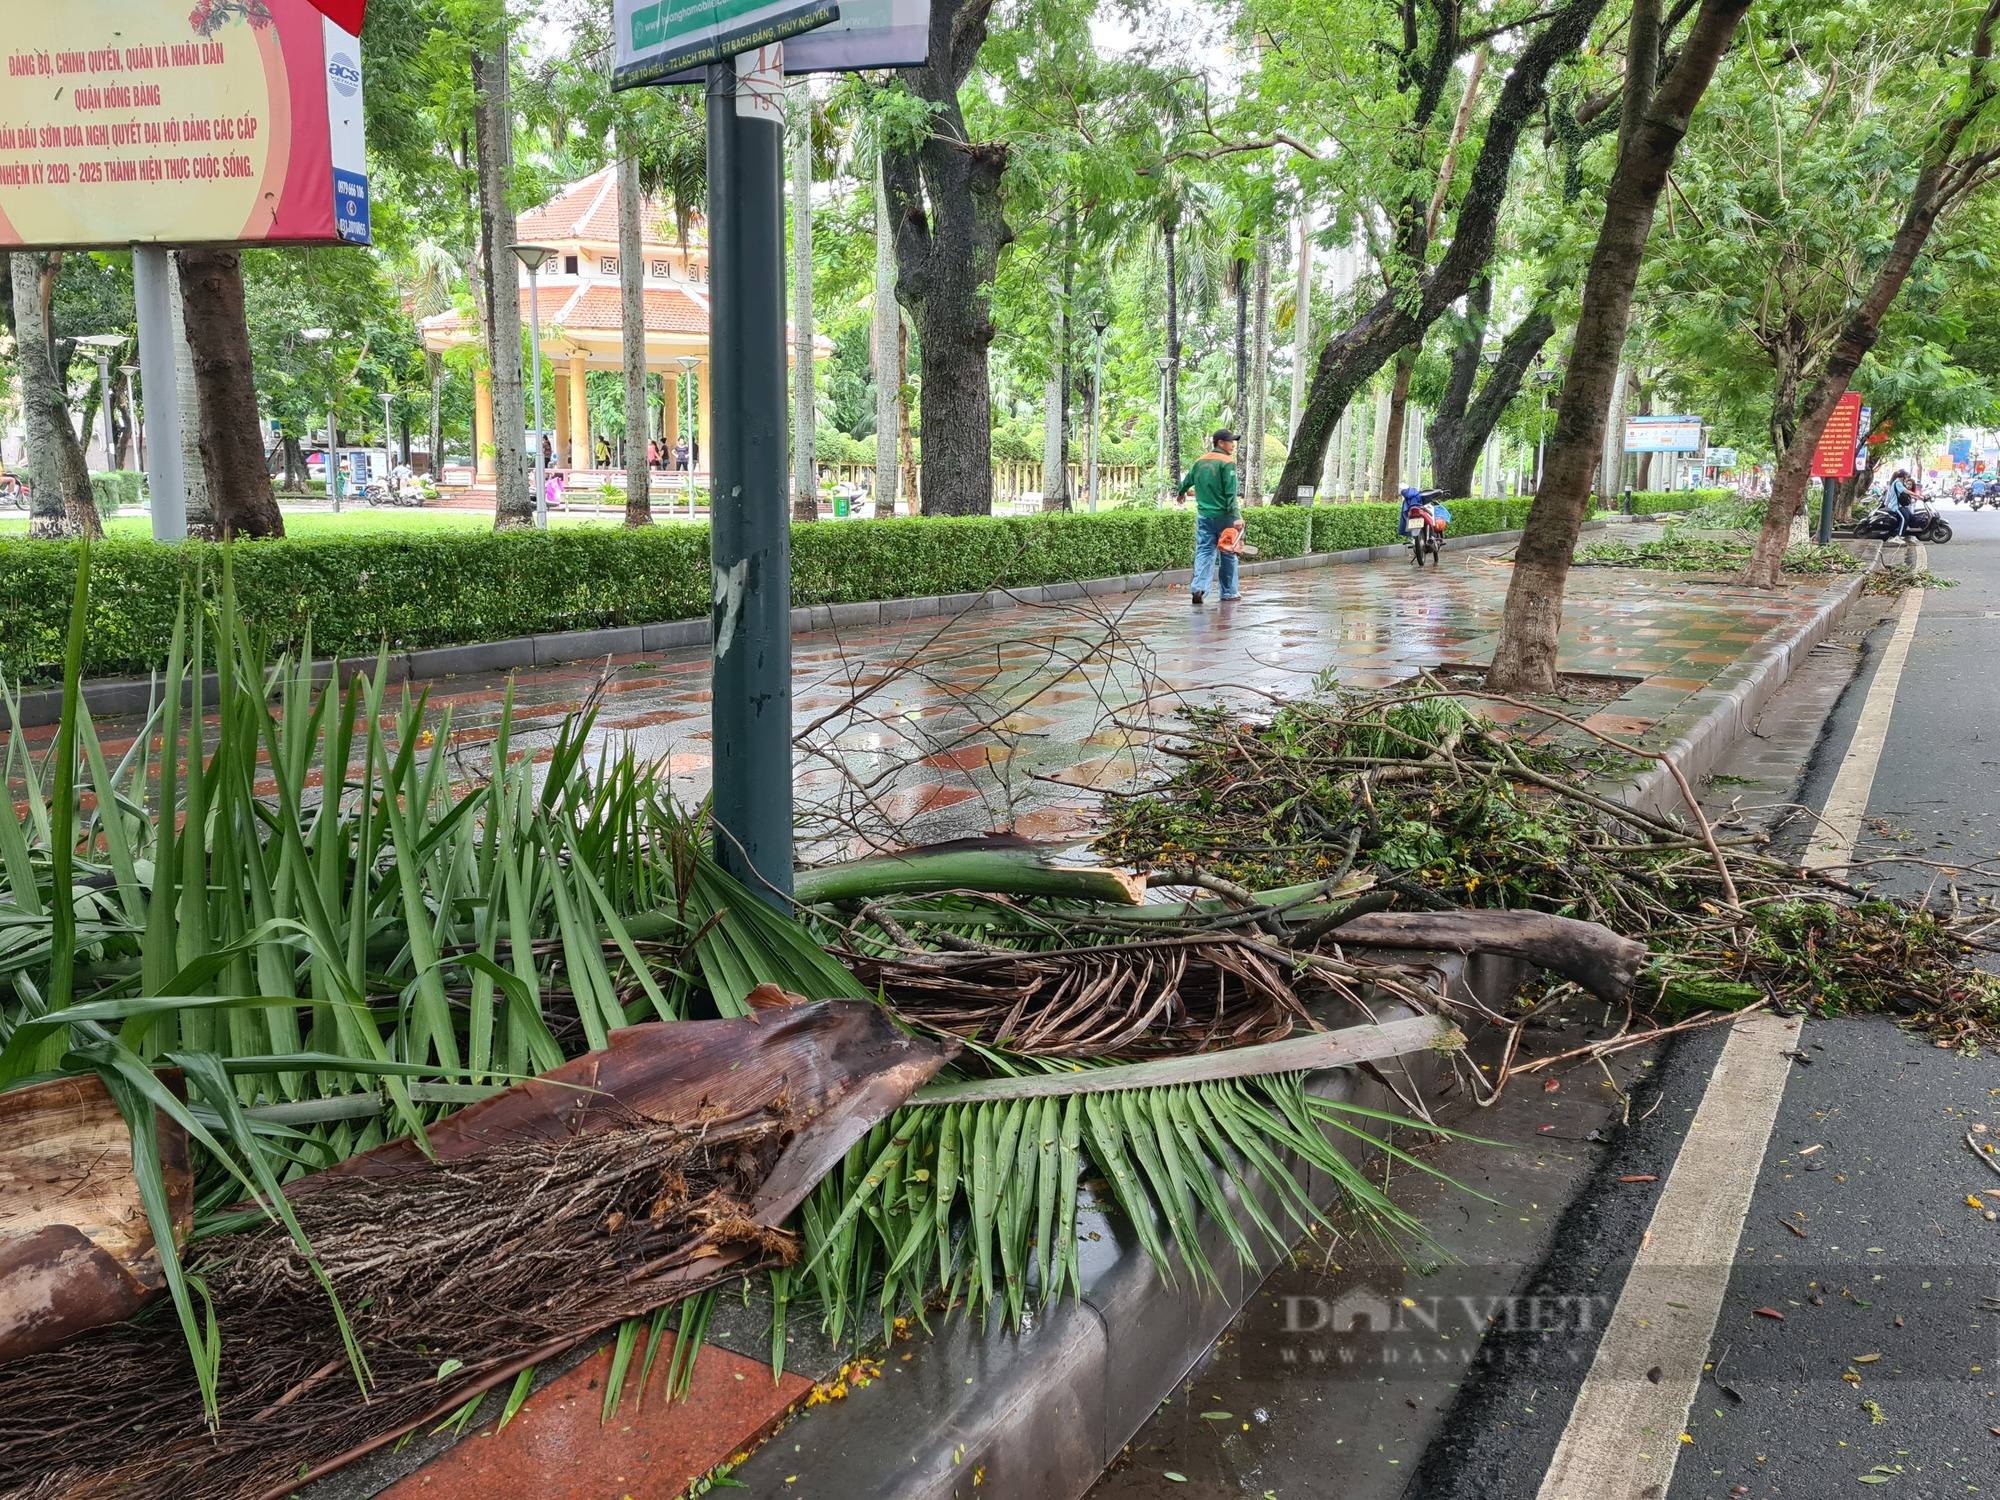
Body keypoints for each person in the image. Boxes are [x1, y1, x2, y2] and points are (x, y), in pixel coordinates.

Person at [1177, 428, 1242, 606]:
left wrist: (1181, 492)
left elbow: (1187, 480)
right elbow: (1230, 494)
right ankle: (1228, 592)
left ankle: (1199, 588)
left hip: (1204, 516)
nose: (1233, 445)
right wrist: (1237, 516)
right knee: (1228, 553)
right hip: (1225, 517)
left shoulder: (1200, 461)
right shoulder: (1227, 463)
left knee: (1205, 551)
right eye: (1230, 441)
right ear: (1220, 443)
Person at [1886, 468, 1916, 541]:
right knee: (1904, 518)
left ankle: (1906, 535)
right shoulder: (1897, 483)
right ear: (1903, 477)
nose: (1907, 479)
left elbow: (1905, 494)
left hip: (1900, 506)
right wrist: (1917, 495)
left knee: (1910, 516)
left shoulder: (1900, 483)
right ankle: (1899, 537)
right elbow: (1905, 491)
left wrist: (1918, 497)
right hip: (1895, 506)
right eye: (1906, 477)